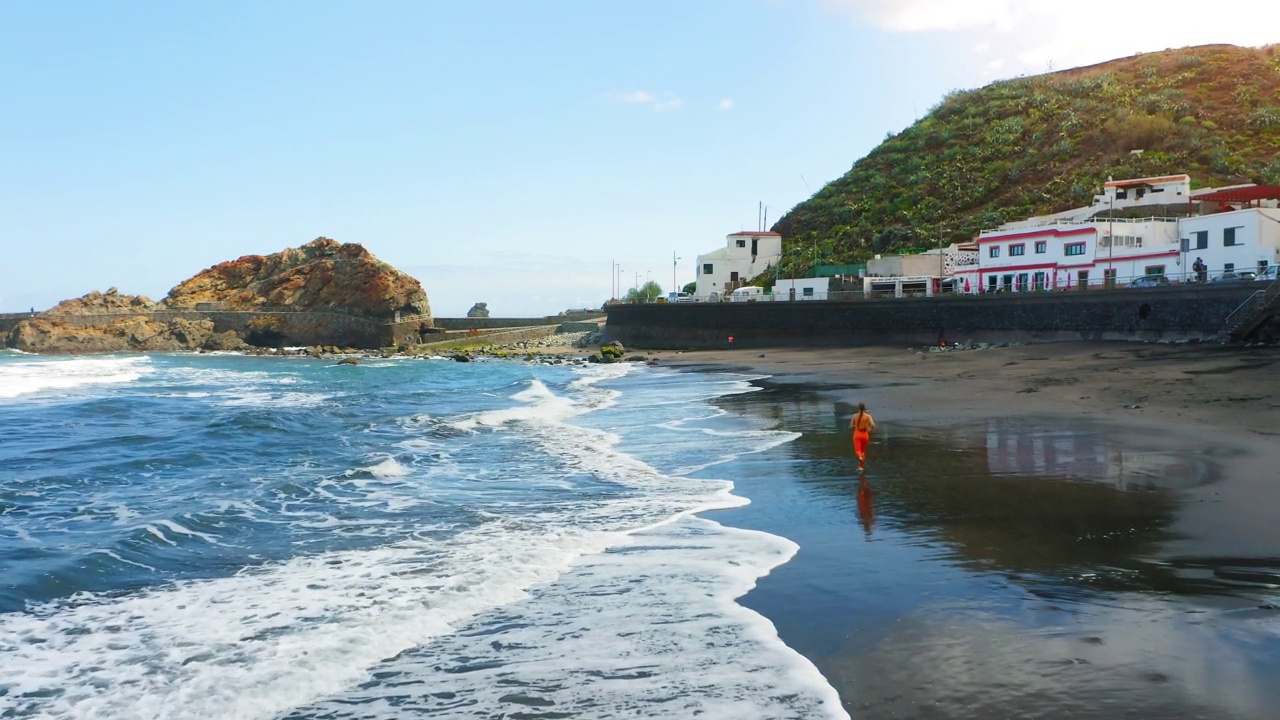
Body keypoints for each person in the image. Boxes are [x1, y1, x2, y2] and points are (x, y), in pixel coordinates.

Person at [849, 402, 876, 467]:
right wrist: (869, 429)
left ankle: (860, 458)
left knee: (858, 451)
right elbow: (873, 425)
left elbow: (851, 426)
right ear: (865, 408)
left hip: (857, 434)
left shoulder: (854, 416)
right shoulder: (868, 416)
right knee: (863, 451)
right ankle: (861, 466)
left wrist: (855, 426)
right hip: (865, 434)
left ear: (858, 408)